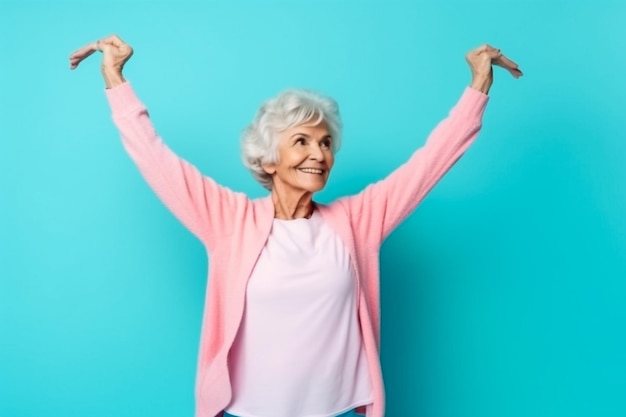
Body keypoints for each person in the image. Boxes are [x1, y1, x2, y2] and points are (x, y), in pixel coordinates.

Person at [69, 35, 522, 417]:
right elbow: (156, 159)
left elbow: (431, 162)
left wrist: (478, 85)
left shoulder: (357, 220)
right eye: (301, 141)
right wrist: (115, 80)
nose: (318, 153)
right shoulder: (229, 220)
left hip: (339, 411)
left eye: (326, 143)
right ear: (268, 156)